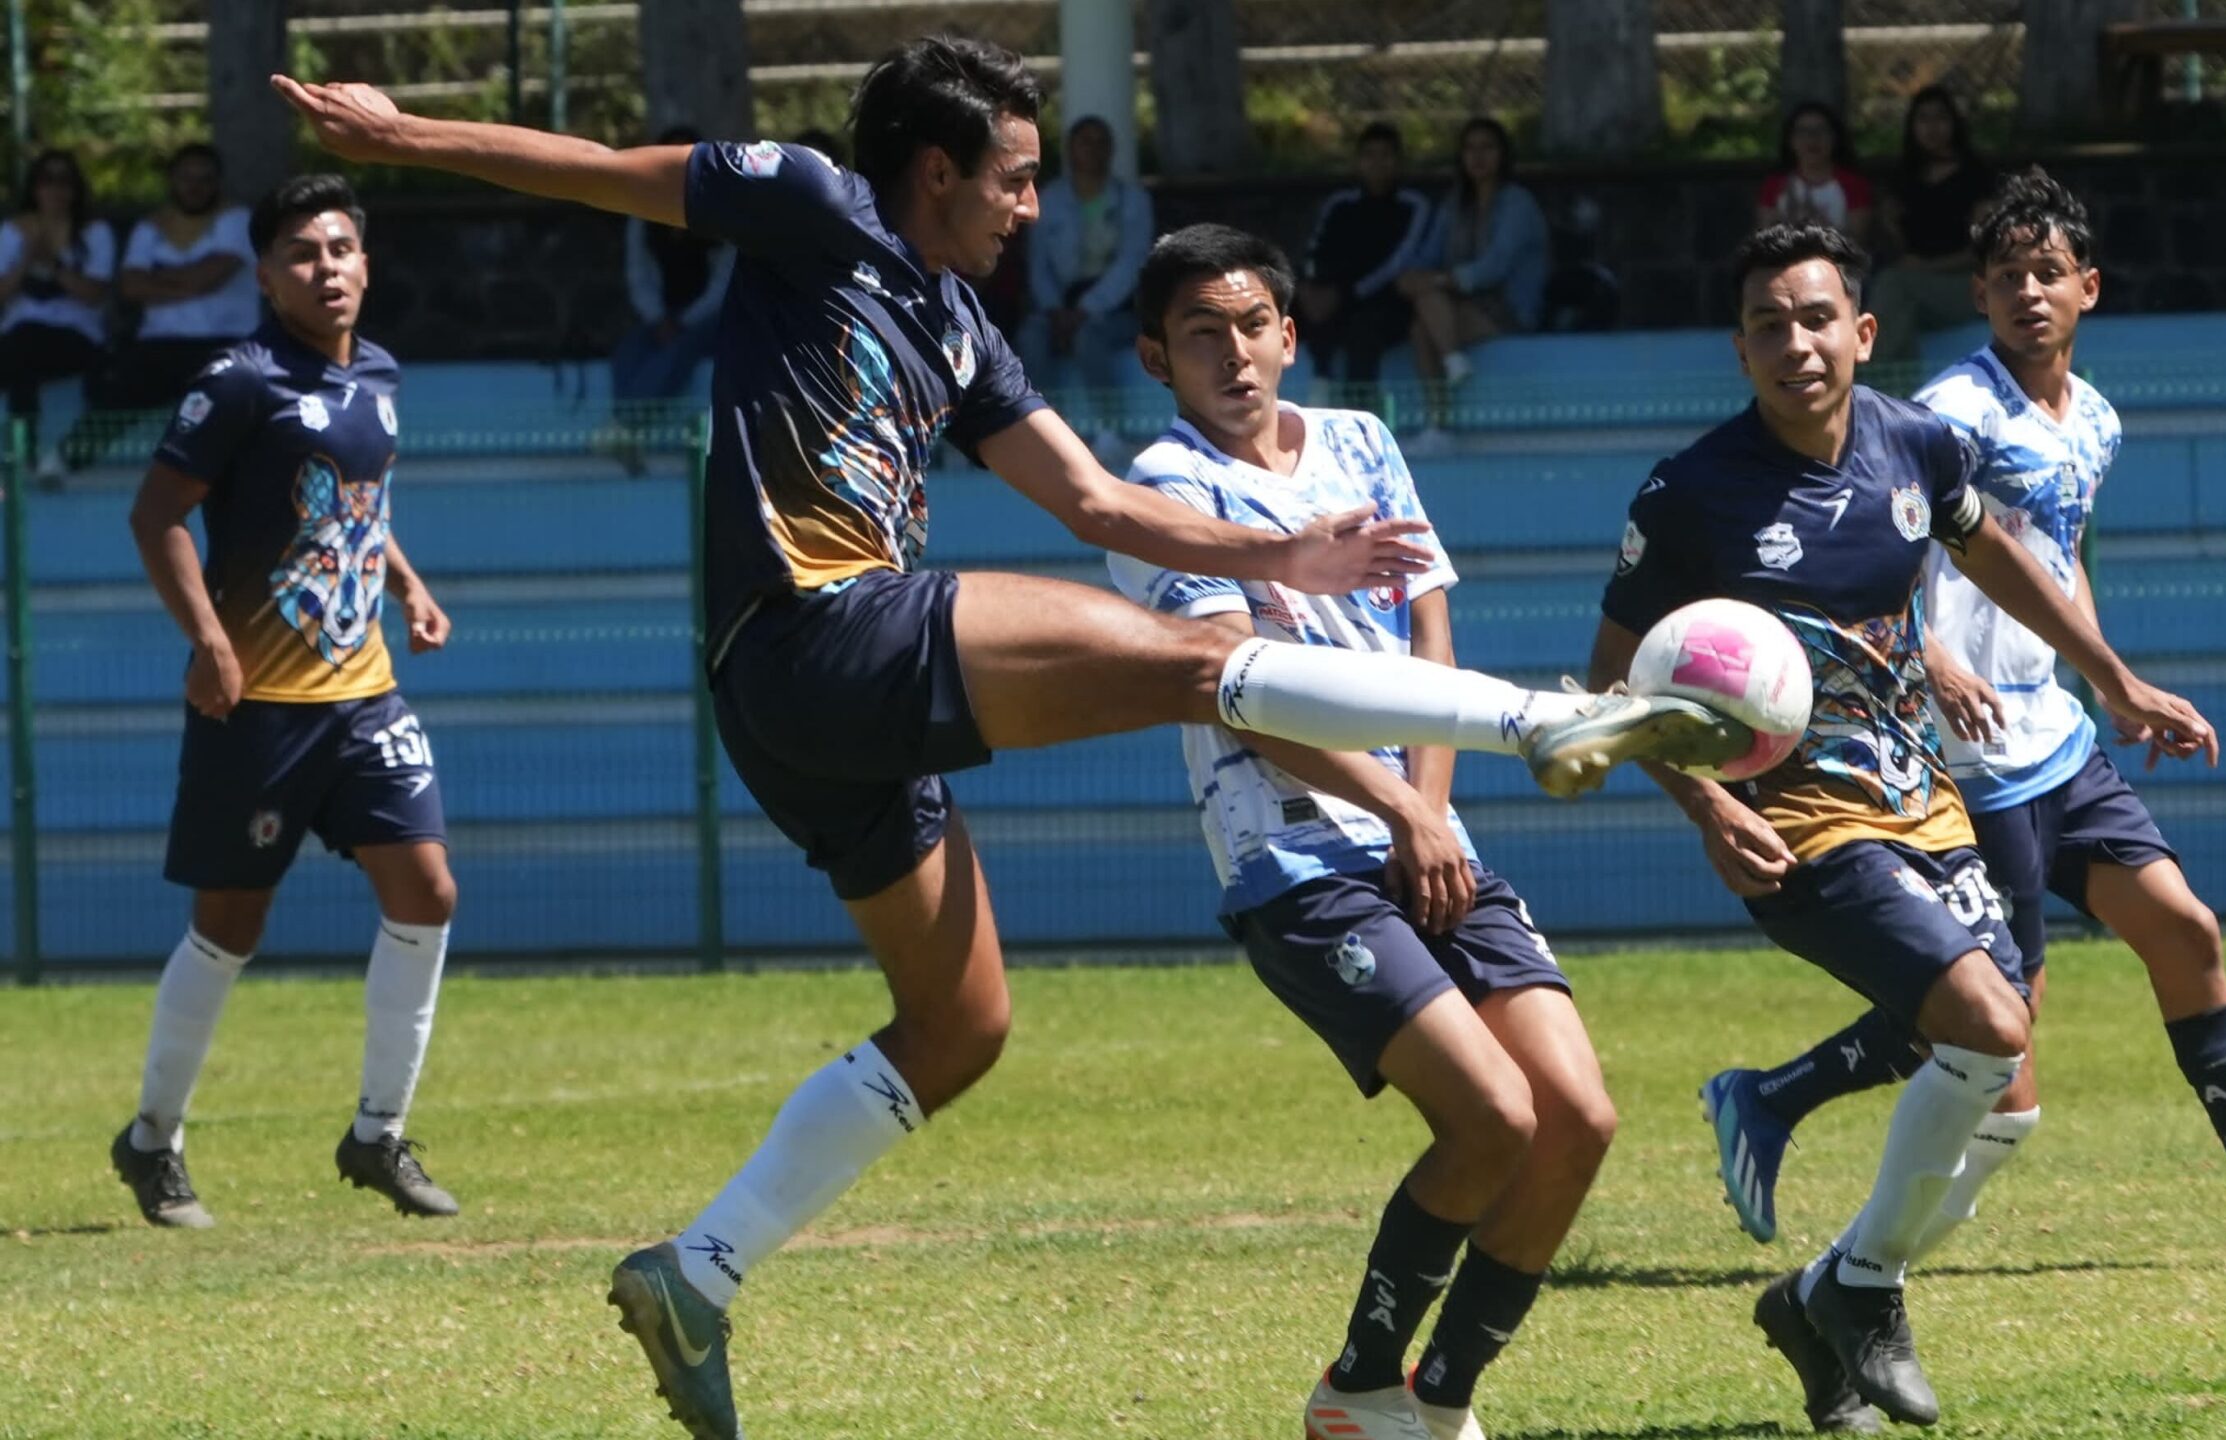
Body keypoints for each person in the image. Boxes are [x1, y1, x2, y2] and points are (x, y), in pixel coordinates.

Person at [275, 37, 1734, 1440]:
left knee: (961, 1024)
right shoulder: (813, 204)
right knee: (1203, 664)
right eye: (1016, 178)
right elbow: (600, 172)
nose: (1032, 206)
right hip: (816, 629)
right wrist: (402, 139)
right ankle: (1548, 720)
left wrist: (1285, 554)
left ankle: (696, 1275)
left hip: (811, 722)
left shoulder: (965, 330)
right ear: (936, 171)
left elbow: (1096, 503)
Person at [1701, 167, 2226, 1316]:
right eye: (2006, 276)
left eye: (2047, 272)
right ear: (1978, 293)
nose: (2028, 292)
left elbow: (2058, 554)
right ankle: (1781, 1119)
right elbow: (1880, 546)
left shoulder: (2098, 421)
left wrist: (2111, 683)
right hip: (1964, 755)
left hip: (2055, 738)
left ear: (2088, 288)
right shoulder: (1949, 412)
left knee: (2184, 930)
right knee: (1995, 1030)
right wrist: (1933, 656)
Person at [1588, 222, 2215, 1431]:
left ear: (1862, 332)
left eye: (1815, 318)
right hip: (1794, 825)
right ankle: (1863, 1285)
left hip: (1924, 801)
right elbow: (1609, 682)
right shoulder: (1690, 494)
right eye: (1767, 324)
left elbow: (2000, 558)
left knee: (2003, 1082)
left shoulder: (1915, 445)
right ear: (1739, 349)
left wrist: (2113, 678)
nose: (1795, 344)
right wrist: (1705, 803)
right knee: (1987, 1023)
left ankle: (1813, 1299)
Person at [1108, 224, 1616, 1440]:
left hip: (1427, 835)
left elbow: (1428, 634)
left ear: (1289, 333)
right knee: (1491, 1116)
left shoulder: (1362, 442)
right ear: (1155, 357)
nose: (1232, 353)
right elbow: (1233, 690)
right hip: (1293, 856)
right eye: (1200, 334)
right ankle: (1358, 1384)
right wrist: (1396, 810)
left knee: (1575, 1120)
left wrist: (1426, 813)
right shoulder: (1162, 491)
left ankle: (1435, 1403)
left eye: (1251, 325)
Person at [112, 174, 461, 1231]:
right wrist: (210, 643)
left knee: (428, 891)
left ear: (367, 264)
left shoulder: (380, 375)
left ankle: (378, 1134)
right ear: (266, 277)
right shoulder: (239, 382)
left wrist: (407, 585)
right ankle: (152, 1140)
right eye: (303, 253)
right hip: (256, 705)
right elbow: (156, 516)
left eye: (341, 248)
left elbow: (357, 507)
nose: (327, 268)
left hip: (364, 698)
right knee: (231, 923)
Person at [72, 143, 262, 470]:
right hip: (159, 343)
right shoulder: (150, 226)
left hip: (227, 344)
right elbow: (131, 287)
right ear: (172, 180)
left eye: (204, 179)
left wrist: (158, 277)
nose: (194, 187)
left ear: (218, 183)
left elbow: (207, 279)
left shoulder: (237, 219)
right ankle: (64, 463)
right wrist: (190, 280)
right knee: (114, 391)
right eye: (186, 178)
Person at [1395, 117, 1547, 455]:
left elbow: (1496, 265)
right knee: (1421, 320)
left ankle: (1441, 416)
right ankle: (1449, 376)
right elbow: (1429, 255)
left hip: (1509, 308)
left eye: (1487, 148)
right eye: (1470, 148)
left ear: (1503, 155)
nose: (1478, 156)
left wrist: (1440, 279)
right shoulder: (1454, 205)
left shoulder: (1517, 203)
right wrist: (1412, 276)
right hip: (1455, 303)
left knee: (1425, 320)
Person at [1018, 113, 1153, 462]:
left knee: (1089, 337)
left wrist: (1086, 309)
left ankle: (1110, 431)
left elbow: (1132, 263)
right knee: (1031, 336)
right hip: (1057, 308)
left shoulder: (1133, 200)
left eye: (1100, 142)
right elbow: (1038, 264)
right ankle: (1042, 431)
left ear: (1111, 150)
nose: (1092, 150)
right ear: (1069, 149)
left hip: (1114, 310)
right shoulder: (1048, 199)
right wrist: (1054, 309)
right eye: (1084, 142)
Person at [606, 126, 735, 473]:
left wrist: (683, 322)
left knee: (682, 347)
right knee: (631, 348)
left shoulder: (720, 213)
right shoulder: (643, 213)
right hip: (662, 316)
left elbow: (722, 284)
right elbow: (639, 275)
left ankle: (627, 428)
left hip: (710, 318)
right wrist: (658, 318)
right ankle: (625, 426)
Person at [0, 149, 117, 485]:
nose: (55, 189)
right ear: (34, 188)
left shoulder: (95, 232)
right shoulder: (13, 231)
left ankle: (26, 450)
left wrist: (52, 263)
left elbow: (94, 295)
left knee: (23, 347)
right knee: (20, 344)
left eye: (64, 181)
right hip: (18, 335)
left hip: (76, 335)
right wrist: (26, 259)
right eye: (46, 180)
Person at [1299, 121, 1432, 408]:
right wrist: (1311, 286)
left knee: (1363, 330)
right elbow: (1315, 250)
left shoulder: (1414, 205)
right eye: (1369, 155)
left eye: (1386, 155)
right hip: (1334, 293)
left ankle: (1357, 411)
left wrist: (1349, 293)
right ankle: (1320, 384)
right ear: (1358, 161)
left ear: (1399, 162)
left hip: (1386, 300)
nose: (1377, 163)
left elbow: (1400, 261)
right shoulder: (1339, 205)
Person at [1866, 88, 1992, 367]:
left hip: (1965, 285)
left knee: (1895, 285)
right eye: (1923, 119)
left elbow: (1982, 252)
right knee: (1894, 301)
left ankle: (1866, 378)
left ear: (1954, 123)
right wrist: (1889, 225)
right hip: (1916, 285)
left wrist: (1926, 267)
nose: (1932, 127)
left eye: (1940, 118)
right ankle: (1896, 387)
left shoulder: (1976, 176)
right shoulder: (1904, 178)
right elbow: (1898, 251)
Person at [1754, 102, 1874, 249]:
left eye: (1821, 130)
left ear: (1835, 138)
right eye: (1803, 131)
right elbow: (1764, 236)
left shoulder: (1854, 184)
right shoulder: (1775, 184)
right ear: (1791, 140)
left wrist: (1821, 229)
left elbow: (1858, 241)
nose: (1812, 138)